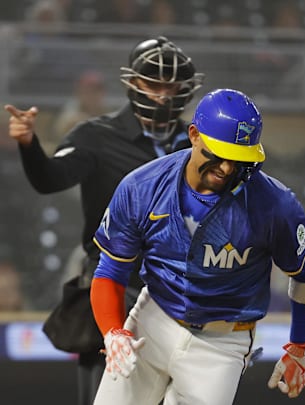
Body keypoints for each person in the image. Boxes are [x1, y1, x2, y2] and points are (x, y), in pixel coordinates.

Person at [90, 88, 305, 404]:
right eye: (219, 154)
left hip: (222, 344)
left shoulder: (275, 204)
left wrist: (300, 346)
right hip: (153, 319)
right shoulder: (142, 187)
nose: (227, 168)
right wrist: (113, 332)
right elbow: (110, 270)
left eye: (239, 159)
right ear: (194, 135)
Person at [5, 36, 203, 405]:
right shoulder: (96, 136)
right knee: (106, 392)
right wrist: (29, 145)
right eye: (153, 83)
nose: (162, 93)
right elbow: (50, 179)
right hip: (114, 282)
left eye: (170, 84)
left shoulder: (197, 142)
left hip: (179, 289)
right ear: (133, 83)